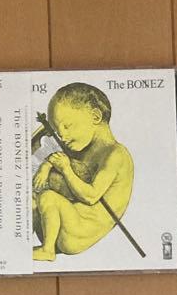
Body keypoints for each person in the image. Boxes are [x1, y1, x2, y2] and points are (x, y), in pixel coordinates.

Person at [31, 83, 133, 262]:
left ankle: (48, 250)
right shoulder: (82, 147)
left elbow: (91, 196)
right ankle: (19, 242)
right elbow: (57, 158)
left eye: (67, 126)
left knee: (48, 197)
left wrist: (66, 169)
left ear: (95, 116)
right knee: (32, 197)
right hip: (62, 225)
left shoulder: (116, 154)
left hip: (79, 233)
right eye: (57, 130)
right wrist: (46, 167)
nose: (62, 136)